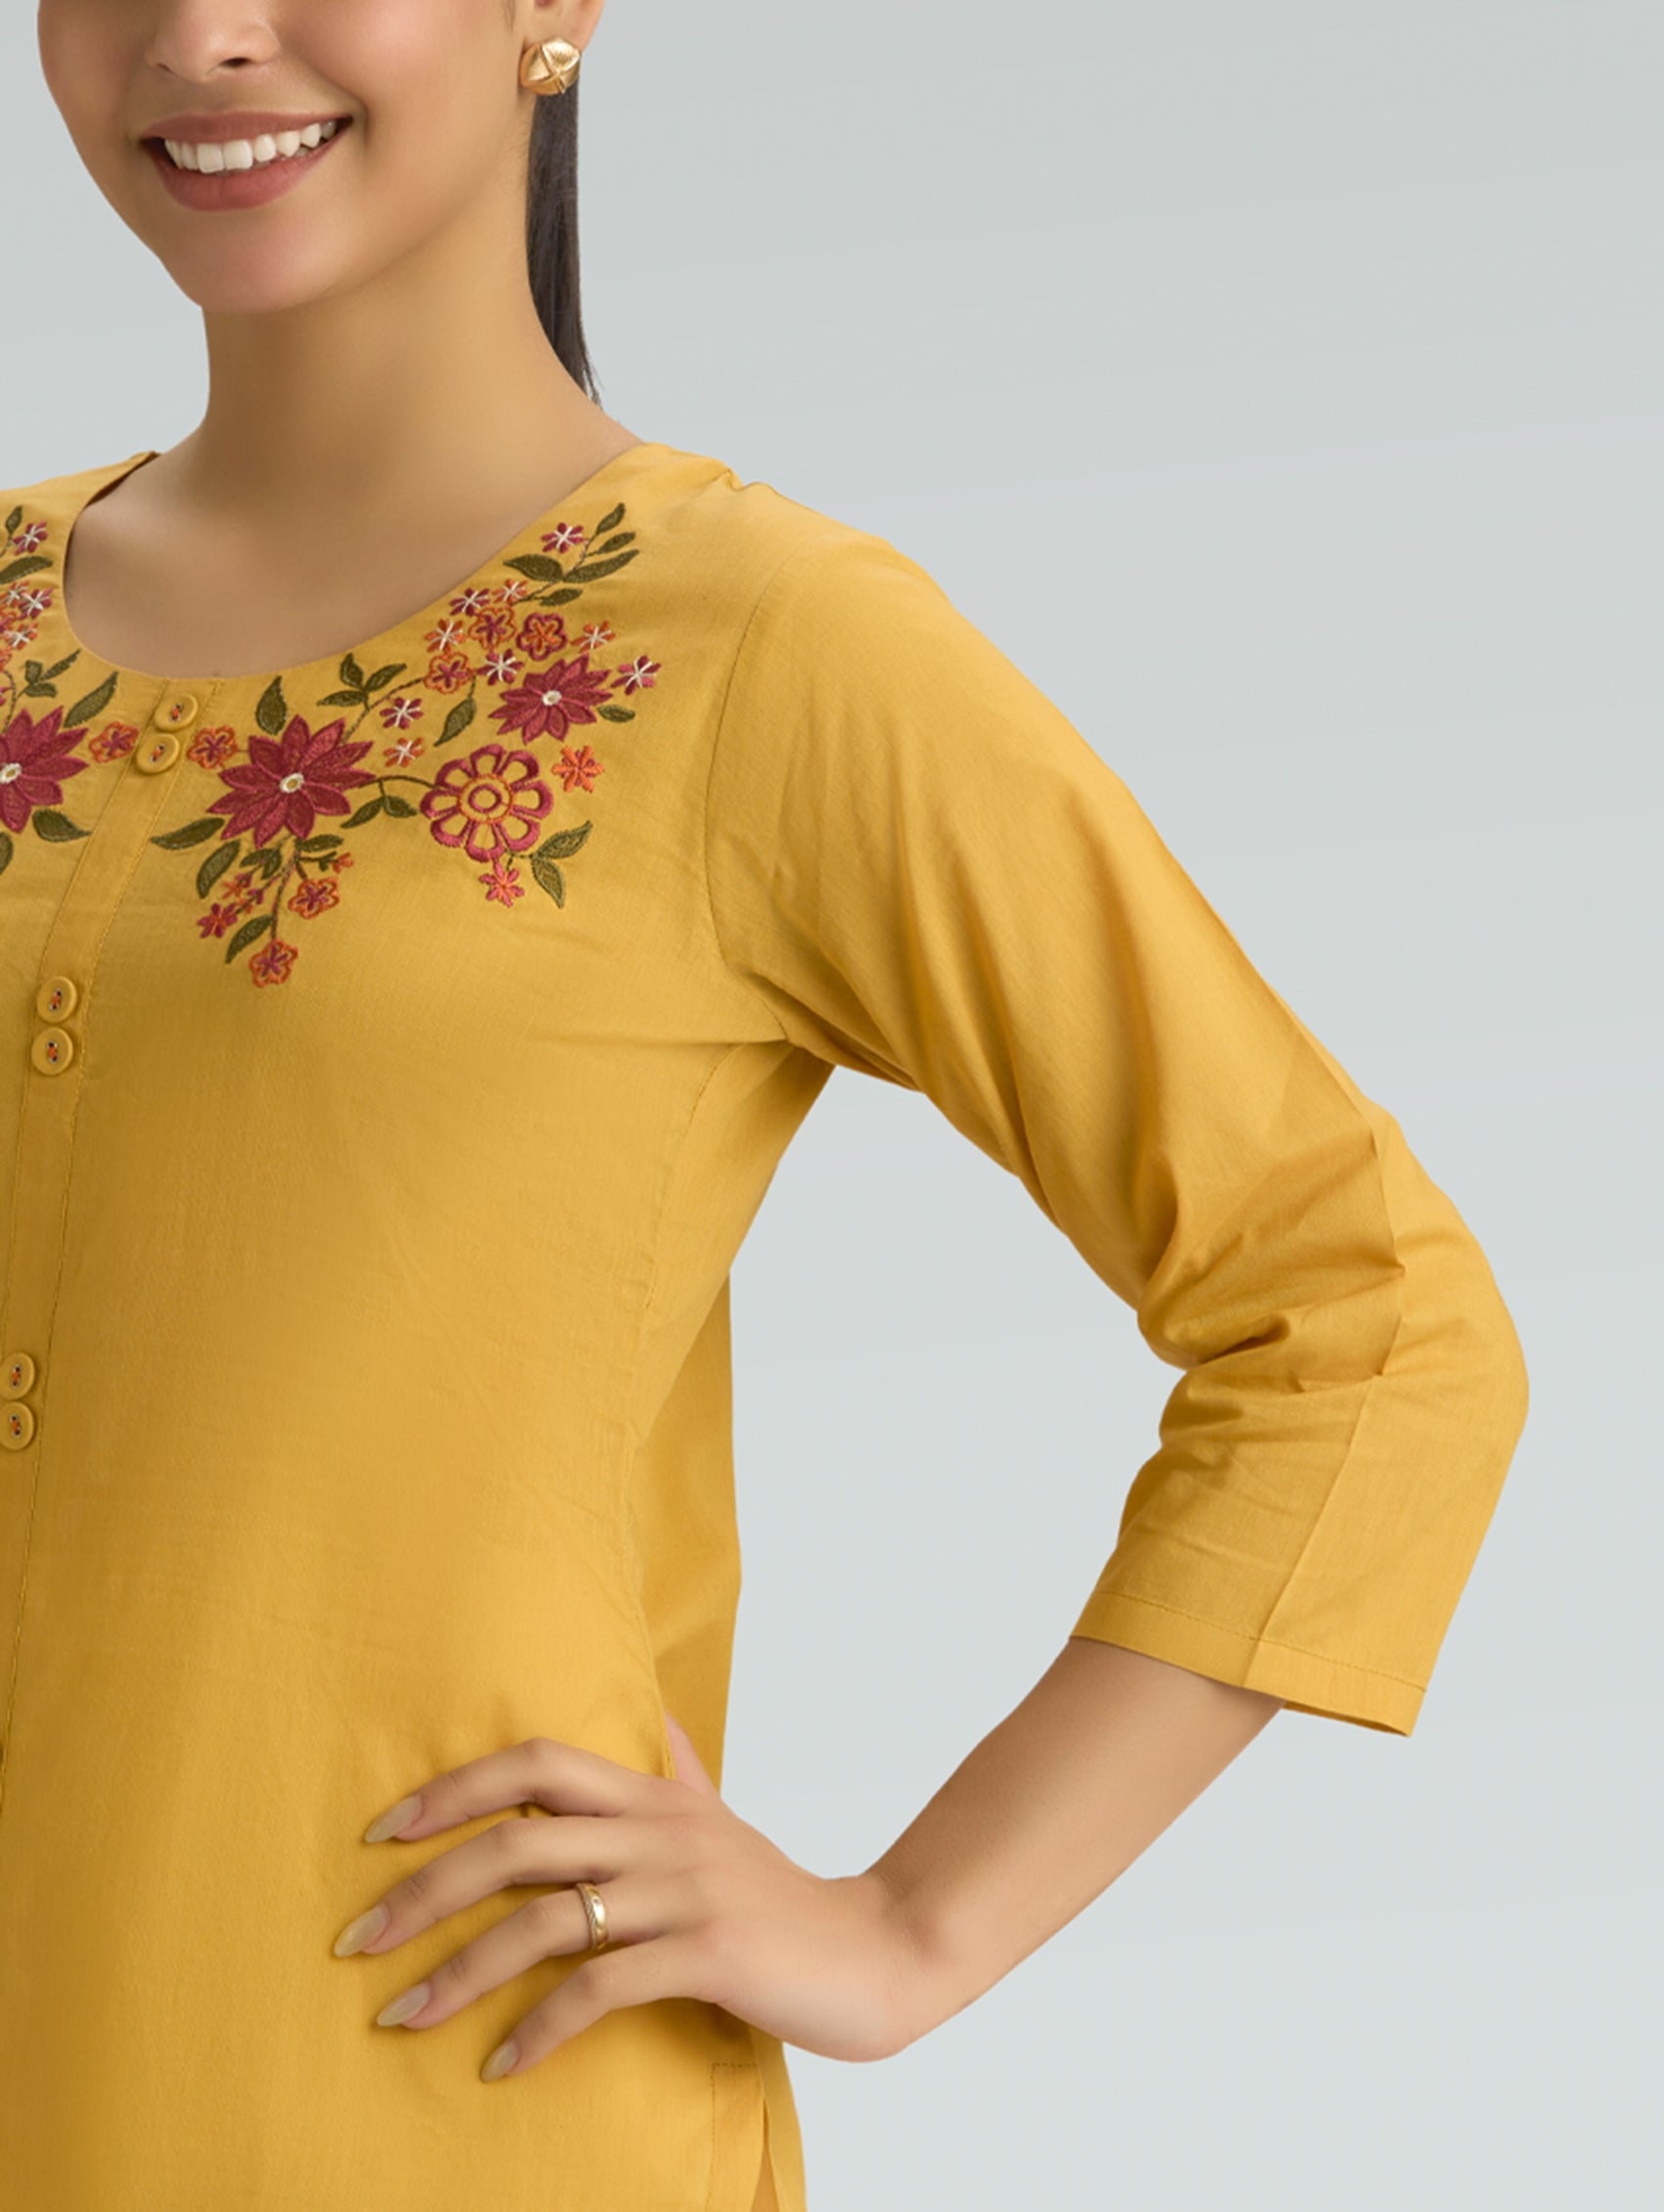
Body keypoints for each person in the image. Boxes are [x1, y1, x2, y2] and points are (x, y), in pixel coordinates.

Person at [1, 4, 1530, 2208]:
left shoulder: (761, 649)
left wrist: (909, 1930)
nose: (201, 33)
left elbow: (1368, 1322)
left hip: (419, 2098)